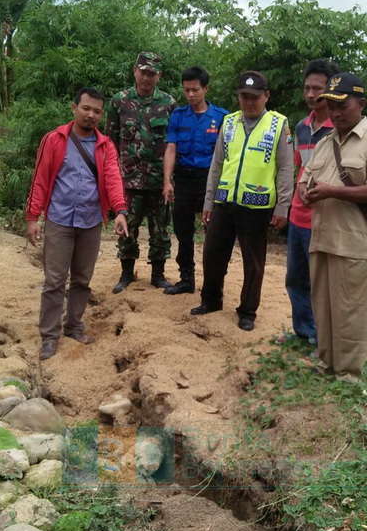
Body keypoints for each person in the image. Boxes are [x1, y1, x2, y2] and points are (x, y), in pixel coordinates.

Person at [299, 73, 367, 382]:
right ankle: (326, 364)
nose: (336, 112)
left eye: (343, 105)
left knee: (351, 312)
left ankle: (348, 374)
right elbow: (306, 178)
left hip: (354, 242)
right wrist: (306, 190)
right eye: (332, 105)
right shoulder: (326, 143)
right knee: (323, 308)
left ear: (361, 104)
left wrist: (331, 191)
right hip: (322, 238)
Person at [25, 88, 129, 360]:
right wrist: (32, 217)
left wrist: (119, 211)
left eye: (96, 111)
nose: (91, 115)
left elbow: (113, 180)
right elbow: (41, 179)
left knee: (82, 279)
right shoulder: (55, 140)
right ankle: (49, 336)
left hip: (90, 221)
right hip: (59, 219)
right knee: (54, 281)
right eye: (86, 108)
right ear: (74, 108)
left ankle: (73, 325)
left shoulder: (105, 145)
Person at [191, 71, 294, 331]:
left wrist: (283, 206)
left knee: (254, 261)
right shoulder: (228, 122)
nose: (249, 102)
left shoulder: (278, 124)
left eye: (254, 97)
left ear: (266, 96)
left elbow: (285, 168)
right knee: (213, 253)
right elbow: (216, 165)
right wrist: (208, 201)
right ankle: (211, 300)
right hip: (224, 201)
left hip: (257, 205)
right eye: (244, 97)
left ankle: (247, 310)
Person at [106, 52, 177, 293]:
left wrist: (169, 179)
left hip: (159, 180)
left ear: (159, 76)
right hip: (128, 180)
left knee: (160, 230)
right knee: (127, 229)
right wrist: (113, 177)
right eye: (143, 71)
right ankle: (127, 274)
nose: (147, 77)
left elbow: (172, 144)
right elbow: (110, 142)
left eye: (152, 73)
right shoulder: (119, 101)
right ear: (135, 70)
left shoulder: (169, 103)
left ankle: (158, 275)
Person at [286, 59, 339, 346]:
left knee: (323, 282)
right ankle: (303, 331)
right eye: (307, 88)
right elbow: (298, 168)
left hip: (325, 217)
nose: (310, 94)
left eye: (316, 88)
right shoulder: (301, 128)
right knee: (296, 279)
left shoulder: (339, 129)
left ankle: (323, 337)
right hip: (298, 215)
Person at [162, 66, 228, 295]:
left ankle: (213, 284)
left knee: (215, 233)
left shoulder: (221, 117)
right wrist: (167, 181)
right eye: (187, 90)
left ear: (205, 89)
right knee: (183, 232)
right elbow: (171, 147)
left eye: (195, 90)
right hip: (183, 179)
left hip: (210, 180)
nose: (190, 95)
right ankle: (186, 279)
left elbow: (227, 155)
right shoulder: (178, 116)